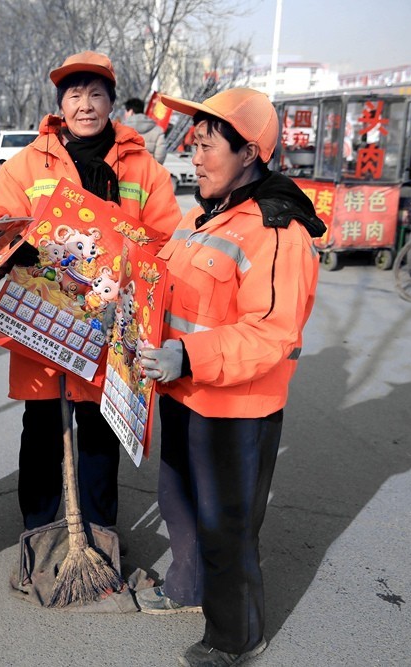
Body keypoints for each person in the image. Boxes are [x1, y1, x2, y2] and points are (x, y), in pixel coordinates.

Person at [135, 88, 326, 667]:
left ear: (249, 153)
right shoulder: (201, 215)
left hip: (235, 407)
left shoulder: (276, 231)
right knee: (178, 502)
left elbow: (272, 332)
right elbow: (165, 287)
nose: (194, 158)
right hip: (183, 392)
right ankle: (188, 587)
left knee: (227, 529)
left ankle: (236, 637)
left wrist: (188, 356)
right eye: (193, 145)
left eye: (207, 146)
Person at [0, 50, 181, 533]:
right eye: (74, 95)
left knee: (99, 432)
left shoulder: (144, 170)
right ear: (60, 104)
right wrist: (12, 250)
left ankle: (98, 530)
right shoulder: (25, 166)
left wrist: (131, 267)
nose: (85, 105)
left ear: (112, 102)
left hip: (111, 328)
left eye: (96, 94)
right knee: (42, 430)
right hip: (43, 323)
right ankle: (39, 528)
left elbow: (167, 244)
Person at [123, 97, 167, 164]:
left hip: (126, 168)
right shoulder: (157, 130)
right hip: (149, 168)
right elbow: (160, 156)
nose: (125, 114)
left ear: (131, 111)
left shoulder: (121, 129)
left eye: (126, 111)